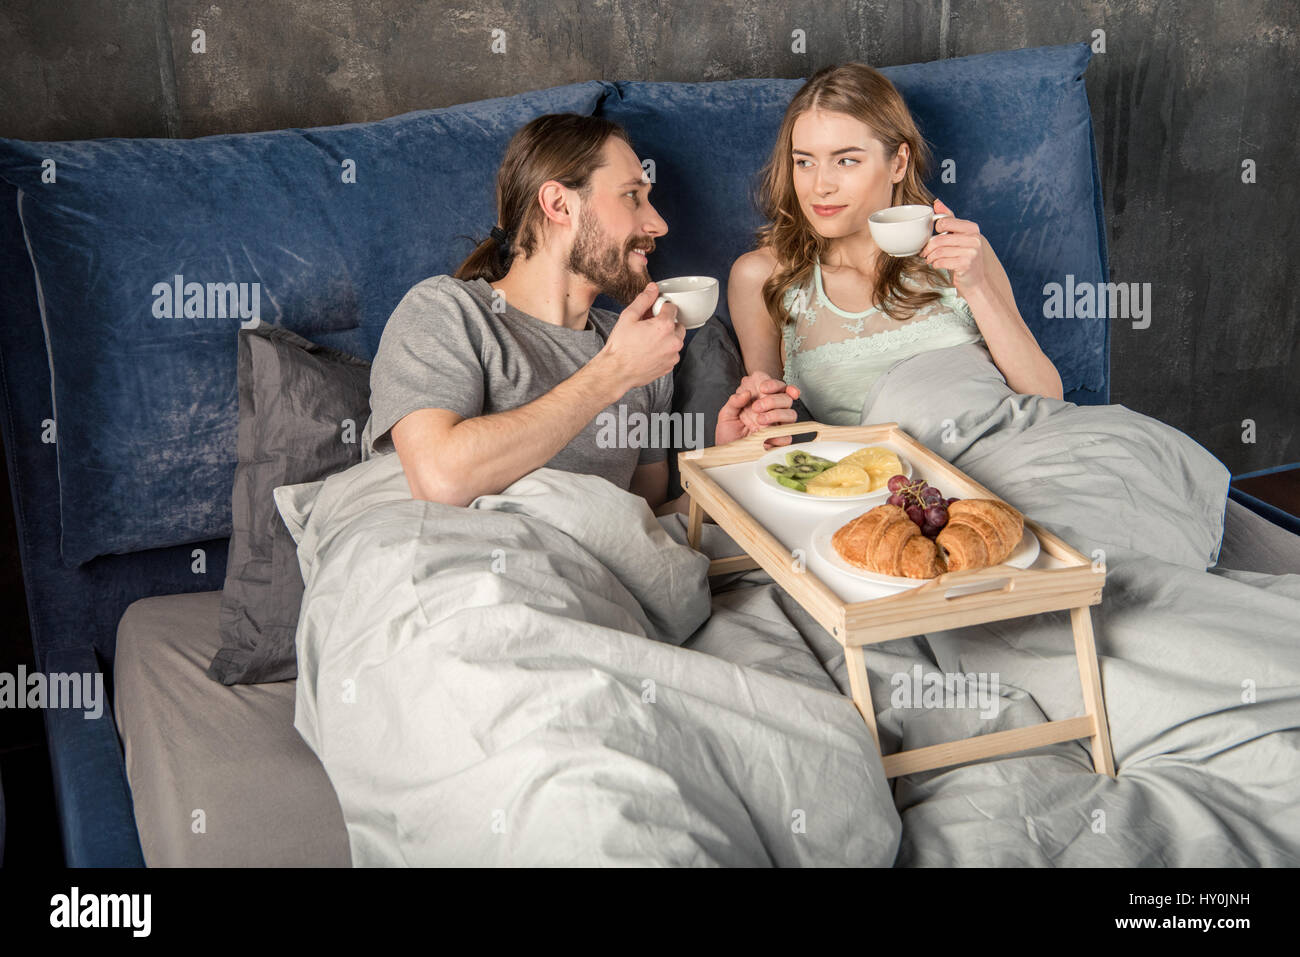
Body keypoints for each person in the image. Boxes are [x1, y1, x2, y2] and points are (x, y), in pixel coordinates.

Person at [360, 113, 799, 516]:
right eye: (633, 197)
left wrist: (730, 469)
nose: (659, 224)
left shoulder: (640, 355)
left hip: (586, 584)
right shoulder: (445, 311)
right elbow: (440, 481)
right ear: (559, 205)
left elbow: (642, 527)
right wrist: (613, 373)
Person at [728, 63, 1063, 426]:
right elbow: (771, 425)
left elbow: (1047, 399)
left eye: (846, 160)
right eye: (804, 162)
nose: (820, 185)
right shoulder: (762, 276)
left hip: (1016, 445)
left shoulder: (961, 253)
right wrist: (756, 413)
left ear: (898, 163)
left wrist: (977, 287)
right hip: (894, 479)